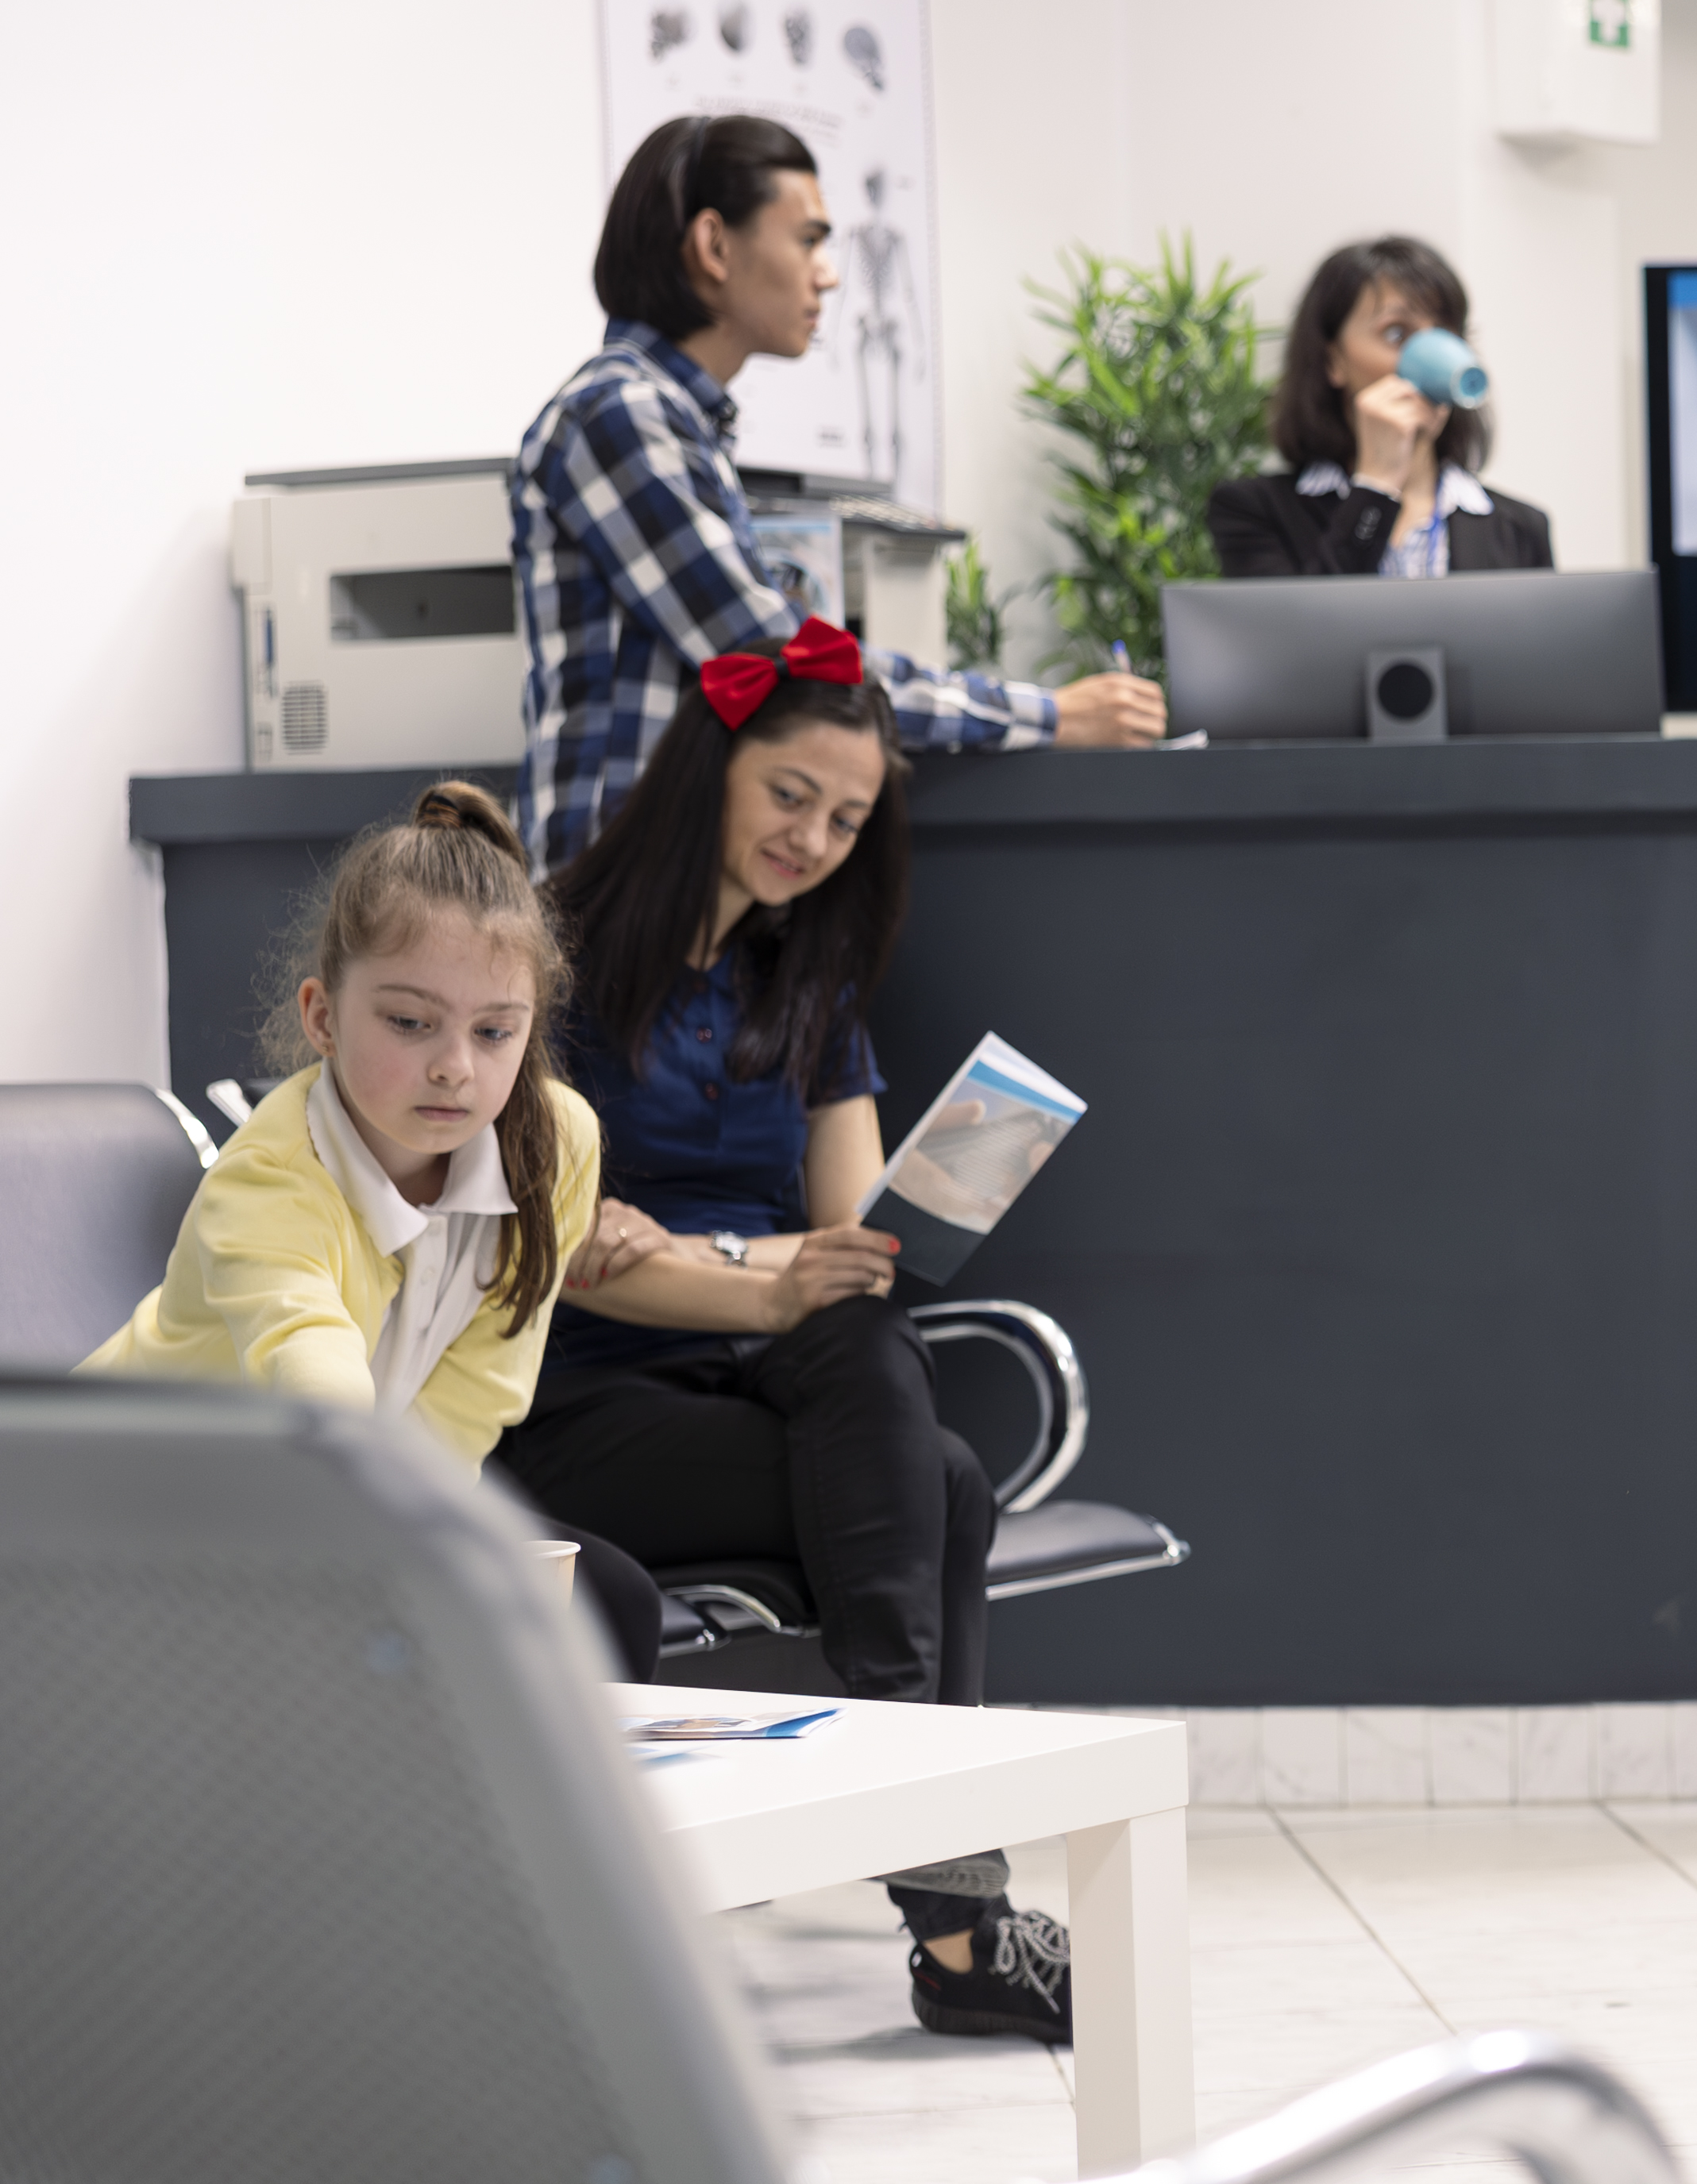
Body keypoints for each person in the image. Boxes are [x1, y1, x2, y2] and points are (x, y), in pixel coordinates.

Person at [496, 625, 1066, 2047]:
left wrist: (721, 1259)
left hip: (771, 1374)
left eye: (848, 817)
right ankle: (951, 1903)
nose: (814, 838)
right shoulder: (547, 955)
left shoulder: (807, 983)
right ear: (714, 771)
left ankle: (932, 1861)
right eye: (791, 796)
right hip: (582, 1407)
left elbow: (846, 1252)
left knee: (868, 1341)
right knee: (938, 1480)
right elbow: (564, 1258)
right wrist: (753, 1273)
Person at [82, 784, 662, 1674]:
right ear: (322, 1015)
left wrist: (414, 1552)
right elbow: (317, 1383)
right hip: (133, 1506)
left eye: (495, 1031)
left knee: (608, 1600)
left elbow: (477, 1398)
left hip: (334, 1499)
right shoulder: (271, 1179)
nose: (454, 1068)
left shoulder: (557, 1141)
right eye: (408, 1021)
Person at [515, 114, 1168, 867]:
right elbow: (786, 665)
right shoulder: (620, 414)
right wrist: (1050, 715)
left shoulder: (678, 422)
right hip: (611, 903)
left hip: (662, 894)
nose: (828, 273)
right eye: (809, 240)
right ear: (715, 246)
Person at [1208, 237, 1556, 578]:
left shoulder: (1520, 528)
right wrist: (1376, 486)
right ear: (1334, 361)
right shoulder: (1255, 511)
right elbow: (1302, 632)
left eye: (1446, 333)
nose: (1435, 354)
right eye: (1396, 334)